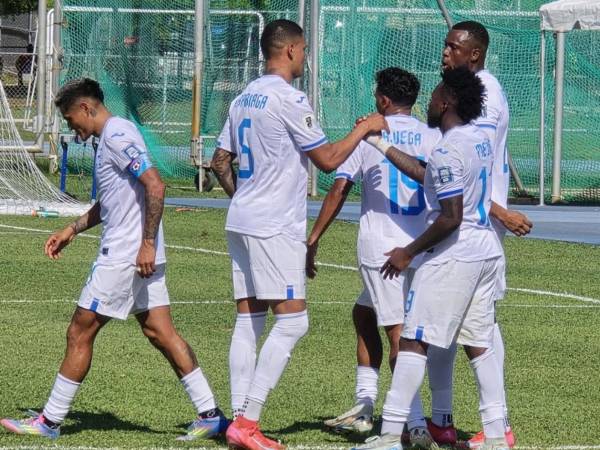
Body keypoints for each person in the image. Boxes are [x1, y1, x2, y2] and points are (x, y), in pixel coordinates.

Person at [0, 78, 228, 442]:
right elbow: (112, 201)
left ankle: (50, 421)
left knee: (80, 331)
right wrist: (72, 229)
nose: (71, 127)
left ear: (86, 108)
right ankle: (211, 415)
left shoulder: (118, 136)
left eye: (70, 118)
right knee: (160, 331)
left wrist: (147, 244)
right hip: (138, 255)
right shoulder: (111, 137)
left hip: (125, 256)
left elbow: (155, 184)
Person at [210, 19, 388, 450]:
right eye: (305, 50)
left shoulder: (243, 97)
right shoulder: (290, 99)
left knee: (249, 319)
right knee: (293, 321)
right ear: (290, 50)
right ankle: (248, 422)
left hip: (243, 218)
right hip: (275, 224)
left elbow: (219, 161)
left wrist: (245, 198)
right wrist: (364, 129)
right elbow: (328, 159)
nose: (305, 58)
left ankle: (239, 419)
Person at [351, 66, 509, 450]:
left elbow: (450, 217)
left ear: (448, 101)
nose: (431, 101)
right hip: (485, 250)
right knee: (480, 344)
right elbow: (427, 174)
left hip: (455, 256)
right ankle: (495, 435)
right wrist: (380, 145)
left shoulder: (449, 147)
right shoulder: (477, 140)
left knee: (412, 341)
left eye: (437, 94)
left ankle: (391, 434)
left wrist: (408, 252)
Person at [306, 67, 441, 448]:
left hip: (382, 249)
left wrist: (313, 238)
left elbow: (339, 189)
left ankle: (412, 424)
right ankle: (364, 405)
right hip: (420, 245)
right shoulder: (432, 136)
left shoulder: (368, 135)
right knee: (364, 313)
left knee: (399, 336)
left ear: (383, 99)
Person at [427, 21, 533, 449]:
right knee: (452, 321)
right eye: (445, 45)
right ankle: (445, 419)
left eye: (453, 47)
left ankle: (493, 423)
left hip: (472, 224)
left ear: (475, 54)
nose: (445, 53)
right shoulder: (468, 91)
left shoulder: (484, 95)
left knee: (468, 324)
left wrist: (498, 211)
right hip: (468, 219)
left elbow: (476, 165)